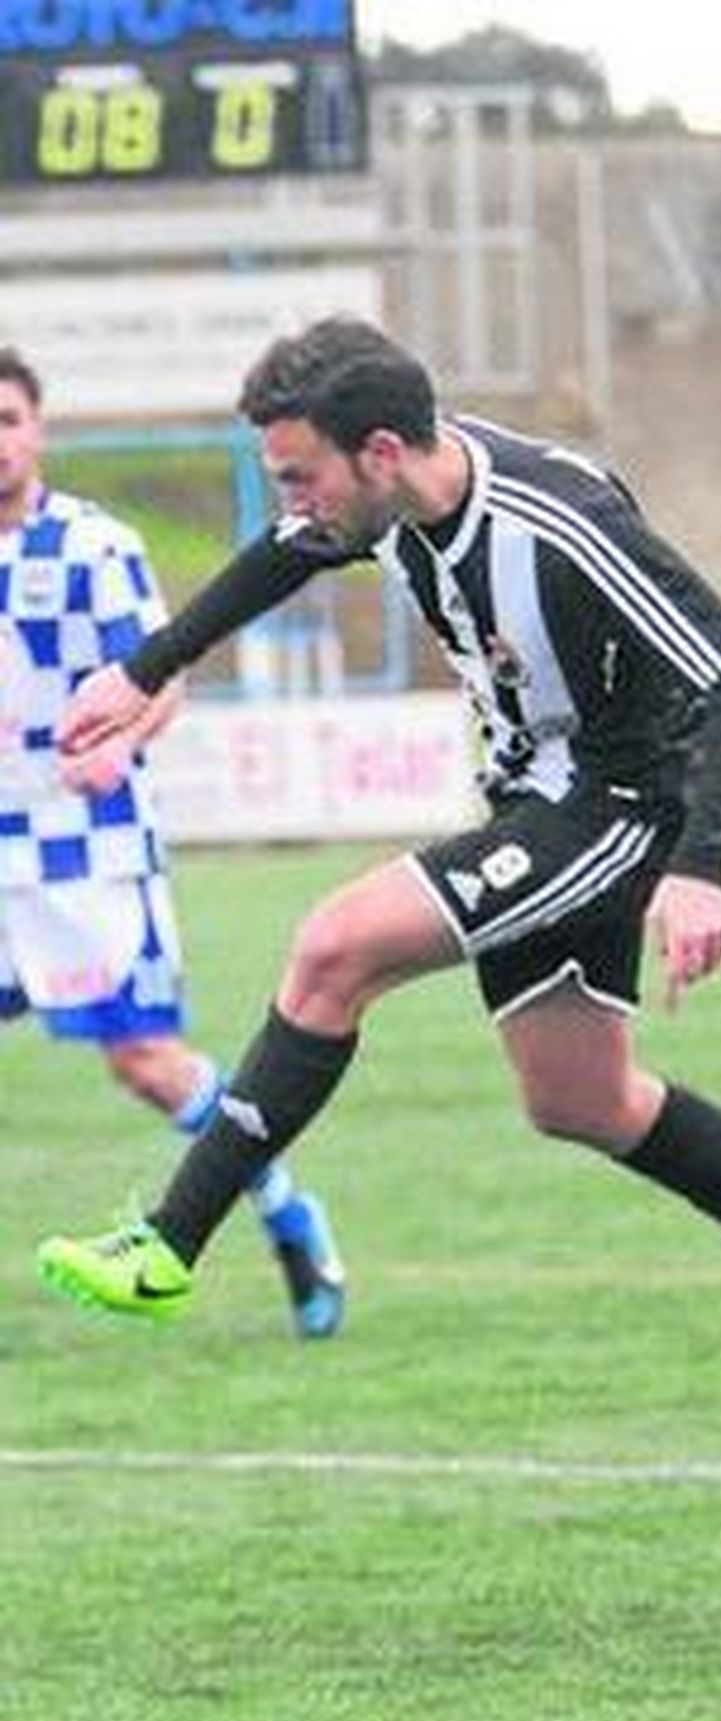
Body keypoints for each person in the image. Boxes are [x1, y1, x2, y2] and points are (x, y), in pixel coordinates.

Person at [34, 316, 721, 1440]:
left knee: (333, 948)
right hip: (533, 801)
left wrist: (701, 868)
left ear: (377, 451)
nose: (293, 501)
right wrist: (142, 670)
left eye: (301, 475)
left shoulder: (556, 523)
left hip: (615, 805)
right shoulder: (389, 496)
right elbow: (289, 552)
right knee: (578, 1098)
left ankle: (168, 1245)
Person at [0, 346, 346, 1340]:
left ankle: (286, 1214)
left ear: (39, 429)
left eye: (9, 418)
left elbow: (166, 677)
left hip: (85, 839)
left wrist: (120, 749)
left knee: (144, 1060)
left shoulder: (91, 547)